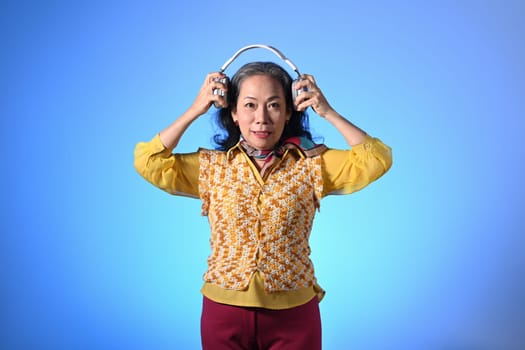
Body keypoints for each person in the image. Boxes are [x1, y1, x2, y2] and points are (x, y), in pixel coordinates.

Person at [134, 61, 392, 350]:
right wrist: (196, 108)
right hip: (223, 312)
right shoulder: (212, 167)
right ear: (232, 113)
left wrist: (327, 111)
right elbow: (148, 161)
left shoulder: (313, 165)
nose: (261, 118)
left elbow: (377, 160)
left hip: (294, 314)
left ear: (289, 111)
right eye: (249, 105)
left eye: (273, 105)